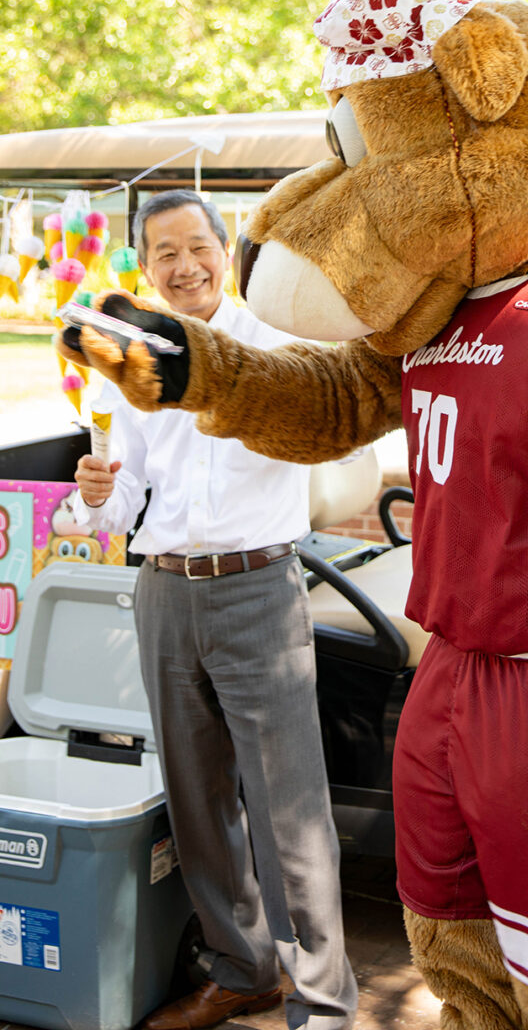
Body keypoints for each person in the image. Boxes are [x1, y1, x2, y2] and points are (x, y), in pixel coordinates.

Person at [72, 190, 357, 1030]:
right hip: (163, 591)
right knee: (197, 803)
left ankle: (321, 1000)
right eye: (164, 252)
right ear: (145, 267)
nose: (184, 265)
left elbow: (313, 430)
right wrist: (98, 493)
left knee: (288, 812)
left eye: (197, 246)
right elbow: (122, 501)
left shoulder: (278, 347)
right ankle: (242, 968)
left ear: (225, 251)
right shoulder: (129, 363)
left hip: (257, 589)